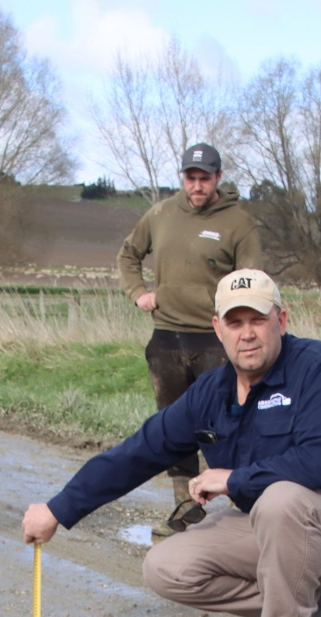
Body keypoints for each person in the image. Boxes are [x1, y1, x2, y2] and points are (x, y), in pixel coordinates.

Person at [23, 270, 321, 617]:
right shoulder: (211, 392)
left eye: (257, 320)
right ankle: (307, 605)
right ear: (217, 329)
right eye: (235, 323)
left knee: (281, 498)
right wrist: (57, 510)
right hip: (283, 528)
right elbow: (139, 452)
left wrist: (235, 480)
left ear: (282, 320)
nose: (248, 335)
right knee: (166, 567)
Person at [117, 142, 263, 537]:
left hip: (217, 341)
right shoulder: (161, 214)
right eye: (190, 178)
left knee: (228, 426)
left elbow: (252, 284)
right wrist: (139, 293)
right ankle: (184, 511)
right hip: (167, 336)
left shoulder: (238, 223)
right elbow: (128, 255)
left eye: (205, 178)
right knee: (175, 427)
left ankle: (242, 514)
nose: (197, 186)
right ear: (182, 177)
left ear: (218, 178)